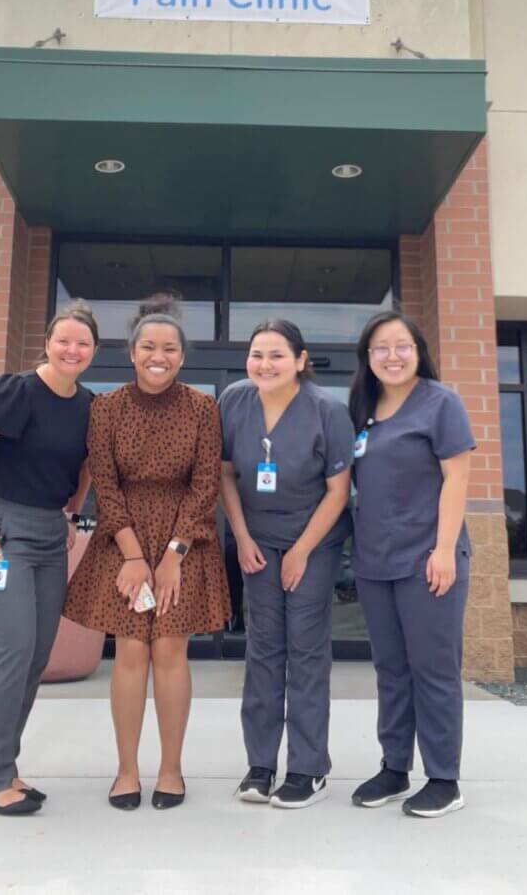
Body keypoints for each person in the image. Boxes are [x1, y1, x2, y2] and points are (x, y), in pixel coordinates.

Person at [62, 294, 231, 811]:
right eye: (149, 347)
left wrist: (175, 553)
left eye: (170, 348)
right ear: (132, 352)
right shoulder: (106, 409)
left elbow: (206, 486)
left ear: (183, 356)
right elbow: (105, 488)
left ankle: (172, 770)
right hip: (123, 540)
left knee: (170, 652)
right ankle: (127, 770)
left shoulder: (204, 408)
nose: (160, 355)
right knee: (131, 651)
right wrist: (135, 557)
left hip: (185, 541)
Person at [0, 300, 99, 817]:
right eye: (64, 340)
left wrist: (72, 515)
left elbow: (84, 470)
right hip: (1, 532)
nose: (72, 350)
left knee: (34, 658)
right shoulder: (17, 391)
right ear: (48, 343)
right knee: (11, 653)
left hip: (51, 533)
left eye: (83, 343)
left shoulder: (87, 405)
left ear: (94, 351)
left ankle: (3, 767)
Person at [219, 319, 353, 809]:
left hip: (312, 541)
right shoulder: (234, 400)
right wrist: (241, 536)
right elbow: (226, 474)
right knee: (263, 649)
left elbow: (339, 492)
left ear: (300, 360)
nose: (264, 365)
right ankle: (260, 764)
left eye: (277, 355)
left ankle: (308, 768)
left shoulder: (326, 411)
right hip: (257, 540)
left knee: (306, 649)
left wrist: (300, 551)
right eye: (257, 354)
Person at [347, 310, 474, 818]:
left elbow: (458, 480)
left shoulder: (440, 403)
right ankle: (394, 768)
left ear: (418, 350)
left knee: (434, 670)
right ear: (368, 357)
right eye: (381, 348)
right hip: (375, 561)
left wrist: (443, 551)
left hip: (428, 560)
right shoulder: (363, 408)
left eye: (402, 346)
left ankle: (444, 778)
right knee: (391, 670)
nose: (392, 356)